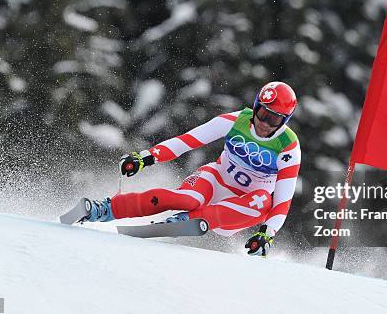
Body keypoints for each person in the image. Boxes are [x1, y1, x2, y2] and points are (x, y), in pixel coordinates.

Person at [83, 81, 301, 257]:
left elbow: (283, 201)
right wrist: (146, 157)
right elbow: (186, 141)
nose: (264, 123)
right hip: (216, 179)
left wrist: (267, 234)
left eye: (273, 119)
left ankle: (188, 220)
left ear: (285, 121)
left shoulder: (288, 147)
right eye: (262, 113)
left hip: (241, 207)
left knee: (265, 200)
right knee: (187, 200)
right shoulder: (235, 121)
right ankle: (105, 209)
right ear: (255, 107)